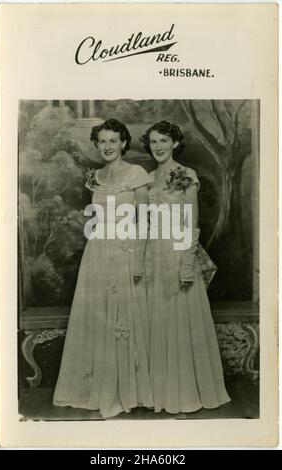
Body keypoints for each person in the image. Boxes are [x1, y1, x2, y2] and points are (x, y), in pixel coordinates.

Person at [53, 119, 153, 418]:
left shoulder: (137, 174)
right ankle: (97, 388)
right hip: (97, 252)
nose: (108, 147)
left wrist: (137, 258)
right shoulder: (94, 177)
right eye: (103, 142)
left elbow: (144, 221)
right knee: (96, 317)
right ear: (97, 145)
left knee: (122, 318)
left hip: (126, 251)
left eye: (113, 141)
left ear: (124, 143)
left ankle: (126, 392)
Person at [141, 121, 231, 414]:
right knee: (156, 320)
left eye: (164, 141)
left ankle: (184, 392)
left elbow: (192, 224)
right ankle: (158, 392)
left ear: (175, 143)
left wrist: (187, 263)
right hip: (153, 253)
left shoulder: (186, 175)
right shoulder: (149, 177)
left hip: (179, 251)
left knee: (180, 319)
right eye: (153, 141)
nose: (158, 147)